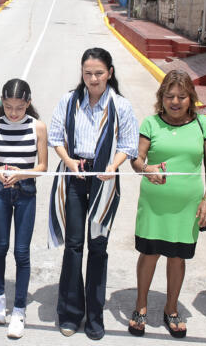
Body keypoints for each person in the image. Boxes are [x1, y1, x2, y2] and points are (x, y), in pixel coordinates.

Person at [48, 47, 138, 340]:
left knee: (98, 247)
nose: (93, 78)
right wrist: (70, 161)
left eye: (99, 73)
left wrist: (113, 166)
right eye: (88, 73)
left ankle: (95, 317)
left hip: (105, 179)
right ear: (82, 73)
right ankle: (70, 313)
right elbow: (55, 136)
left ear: (110, 73)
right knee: (74, 246)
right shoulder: (69, 101)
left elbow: (128, 144)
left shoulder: (120, 106)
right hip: (74, 176)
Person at [128, 70, 206, 338]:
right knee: (149, 255)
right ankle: (140, 307)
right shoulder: (151, 124)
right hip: (154, 206)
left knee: (178, 258)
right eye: (170, 96)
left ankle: (171, 309)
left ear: (191, 98)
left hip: (187, 208)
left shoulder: (203, 126)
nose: (175, 102)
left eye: (182, 96)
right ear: (161, 98)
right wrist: (146, 168)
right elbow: (137, 159)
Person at [0, 79, 48, 339]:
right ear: (2, 102)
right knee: (0, 247)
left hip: (26, 194)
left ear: (28, 104)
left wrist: (21, 175)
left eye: (19, 108)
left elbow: (42, 167)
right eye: (8, 107)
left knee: (22, 252)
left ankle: (19, 309)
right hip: (0, 192)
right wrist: (0, 172)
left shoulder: (38, 127)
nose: (13, 113)